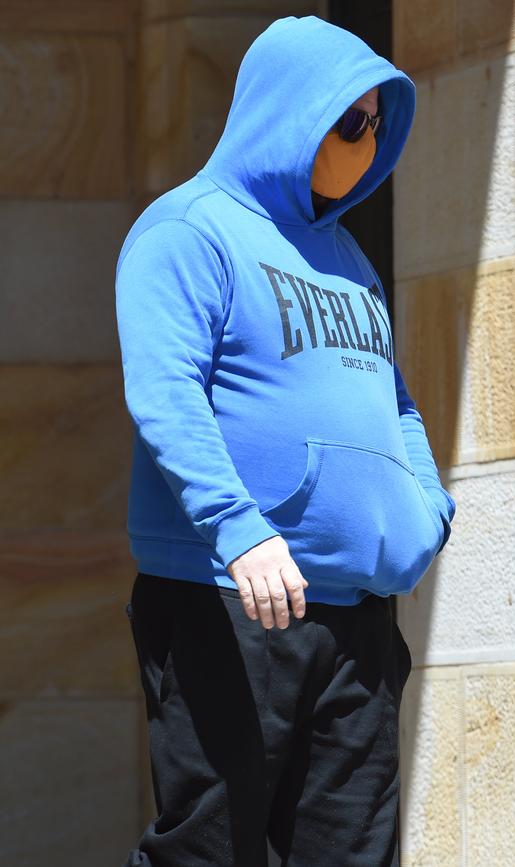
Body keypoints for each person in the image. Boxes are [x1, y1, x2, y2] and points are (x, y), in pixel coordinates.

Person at [115, 14, 456, 867]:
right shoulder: (187, 230)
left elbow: (396, 402)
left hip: (359, 620)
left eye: (378, 124)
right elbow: (164, 394)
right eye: (351, 123)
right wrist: (239, 528)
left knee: (352, 857)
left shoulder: (348, 258)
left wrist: (425, 510)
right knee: (206, 852)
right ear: (290, 111)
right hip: (230, 601)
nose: (369, 143)